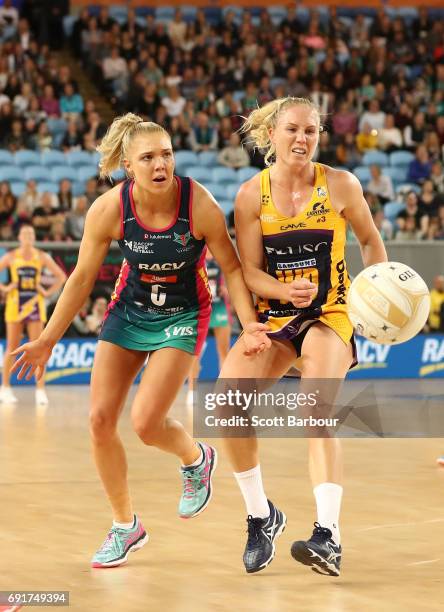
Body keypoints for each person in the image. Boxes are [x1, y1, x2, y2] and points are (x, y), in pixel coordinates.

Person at [11, 114, 269, 569]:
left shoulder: (198, 204)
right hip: (129, 310)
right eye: (148, 157)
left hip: (183, 313)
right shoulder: (109, 209)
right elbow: (81, 278)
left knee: (147, 423)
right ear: (129, 166)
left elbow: (231, 268)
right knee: (99, 420)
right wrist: (48, 339)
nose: (159, 164)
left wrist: (248, 325)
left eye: (166, 154)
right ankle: (125, 525)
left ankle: (195, 459)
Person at [218, 97, 387, 576]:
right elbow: (248, 271)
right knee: (227, 404)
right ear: (271, 133)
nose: (302, 139)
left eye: (311, 131)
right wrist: (277, 293)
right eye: (292, 129)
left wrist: (375, 294)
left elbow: (371, 241)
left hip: (331, 312)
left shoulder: (341, 184)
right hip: (274, 317)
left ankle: (328, 536)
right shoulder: (252, 195)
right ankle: (260, 516)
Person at [0, 224, 66, 405]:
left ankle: (40, 390)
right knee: (11, 347)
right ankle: (5, 388)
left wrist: (46, 292)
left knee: (39, 348)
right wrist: (5, 288)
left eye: (31, 233)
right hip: (15, 305)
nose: (28, 235)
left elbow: (61, 277)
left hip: (35, 305)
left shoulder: (42, 256)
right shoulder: (11, 256)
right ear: (19, 237)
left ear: (34, 237)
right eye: (24, 233)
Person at [187, 249, 232, 405]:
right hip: (201, 307)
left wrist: (226, 288)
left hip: (219, 306)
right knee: (195, 354)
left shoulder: (220, 253)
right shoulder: (194, 254)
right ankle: (192, 391)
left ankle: (225, 392)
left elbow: (231, 274)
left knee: (224, 352)